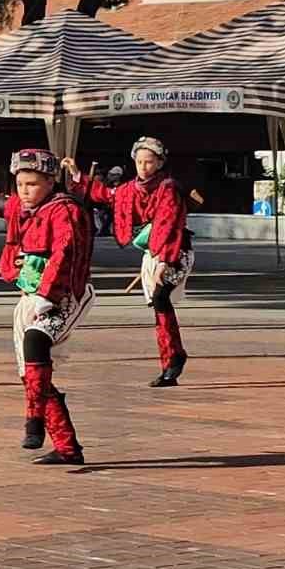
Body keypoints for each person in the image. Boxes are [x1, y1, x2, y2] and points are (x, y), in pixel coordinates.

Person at [0, 147, 95, 465]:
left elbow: (64, 252)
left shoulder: (65, 210)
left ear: (50, 181)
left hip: (65, 294)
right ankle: (67, 446)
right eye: (20, 184)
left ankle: (34, 421)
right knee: (30, 372)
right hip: (30, 295)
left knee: (36, 341)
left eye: (33, 184)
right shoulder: (20, 206)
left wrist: (47, 295)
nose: (25, 191)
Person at [66, 137, 193, 387]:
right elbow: (107, 195)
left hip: (175, 251)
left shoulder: (167, 188)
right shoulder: (130, 188)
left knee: (160, 299)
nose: (144, 167)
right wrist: (78, 175)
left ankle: (173, 359)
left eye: (149, 162)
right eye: (139, 161)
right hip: (153, 253)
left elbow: (169, 224)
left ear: (159, 163)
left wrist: (164, 262)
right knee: (159, 305)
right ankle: (171, 359)